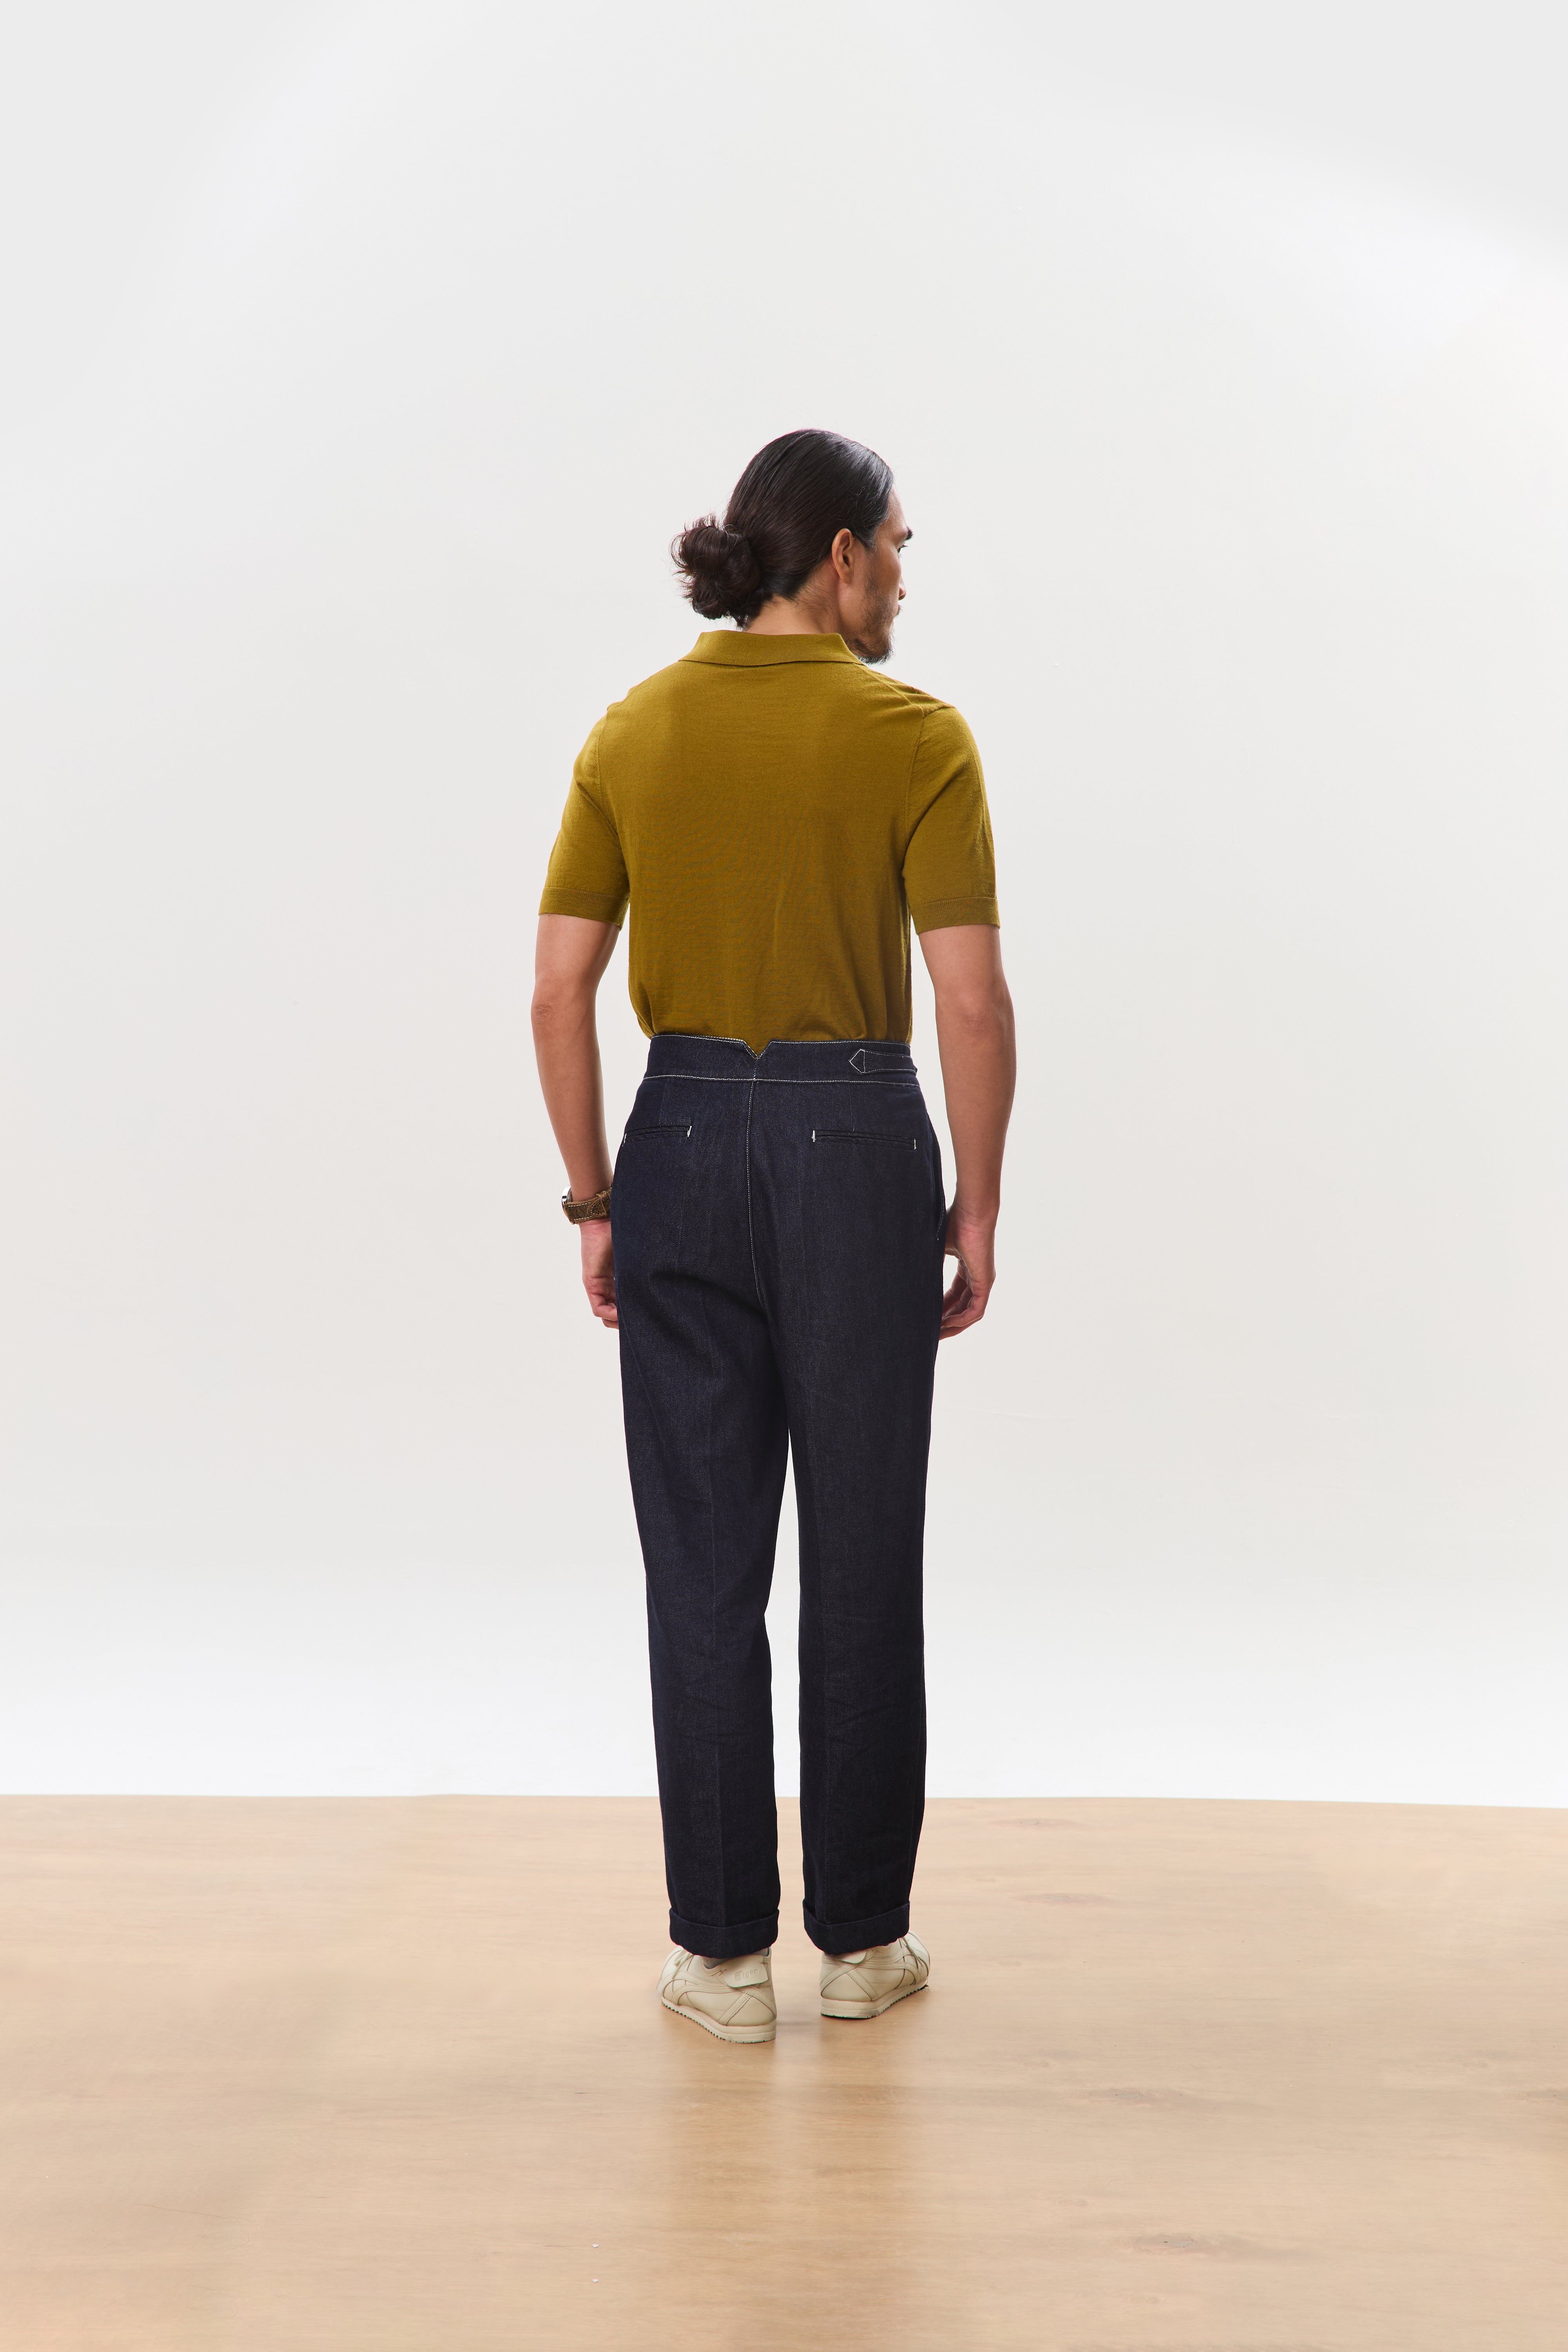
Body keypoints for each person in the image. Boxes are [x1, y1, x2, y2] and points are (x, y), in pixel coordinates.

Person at [532, 429, 1014, 2043]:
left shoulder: (634, 727)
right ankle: (863, 1947)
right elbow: (969, 1001)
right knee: (864, 1554)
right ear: (838, 557)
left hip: (674, 1140)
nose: (905, 578)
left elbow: (555, 990)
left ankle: (724, 1959)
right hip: (858, 1144)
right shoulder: (913, 734)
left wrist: (597, 1196)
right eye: (897, 547)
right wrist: (976, 1205)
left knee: (702, 1565)